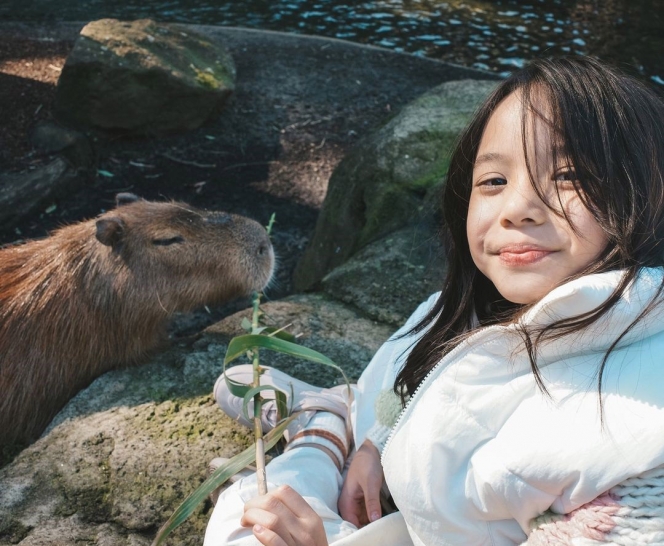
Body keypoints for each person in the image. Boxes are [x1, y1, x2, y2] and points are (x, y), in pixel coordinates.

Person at [204, 55, 664, 546]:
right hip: (415, 505)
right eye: (494, 182)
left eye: (570, 175)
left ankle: (317, 432)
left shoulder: (640, 450)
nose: (516, 209)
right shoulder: (469, 312)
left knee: (248, 521)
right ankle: (339, 421)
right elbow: (411, 388)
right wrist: (374, 445)